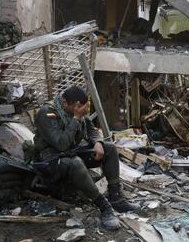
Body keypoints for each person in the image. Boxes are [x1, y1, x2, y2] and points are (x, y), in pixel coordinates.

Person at [33, 86, 140, 230]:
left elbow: (91, 129)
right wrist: (76, 118)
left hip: (70, 152)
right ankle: (104, 207)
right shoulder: (47, 113)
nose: (81, 111)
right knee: (75, 163)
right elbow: (61, 144)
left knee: (110, 148)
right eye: (78, 108)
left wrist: (98, 142)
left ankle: (116, 198)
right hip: (51, 160)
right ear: (65, 102)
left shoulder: (75, 109)